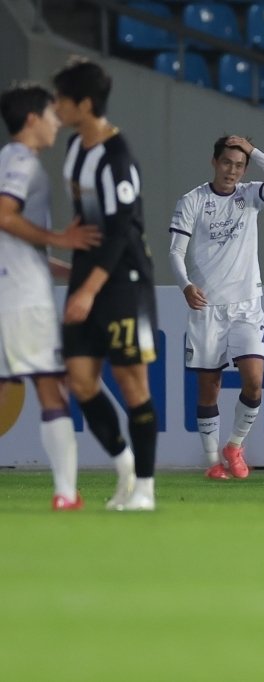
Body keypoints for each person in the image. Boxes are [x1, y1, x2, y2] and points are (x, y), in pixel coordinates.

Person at [53, 57, 159, 511]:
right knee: (79, 380)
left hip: (123, 283)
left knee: (132, 382)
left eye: (61, 100)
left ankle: (147, 490)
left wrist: (89, 288)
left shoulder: (118, 157)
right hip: (88, 276)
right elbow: (89, 225)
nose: (55, 108)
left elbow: (118, 230)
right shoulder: (76, 148)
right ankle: (125, 469)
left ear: (85, 103)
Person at [168, 135, 264, 480]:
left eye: (240, 165)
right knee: (210, 388)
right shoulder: (193, 200)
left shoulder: (250, 195)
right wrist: (186, 285)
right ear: (214, 162)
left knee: (254, 381)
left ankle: (234, 445)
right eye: (227, 163)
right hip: (207, 307)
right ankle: (212, 463)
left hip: (246, 307)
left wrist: (254, 150)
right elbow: (175, 252)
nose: (232, 171)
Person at [0, 83, 101, 510]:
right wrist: (60, 236)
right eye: (51, 115)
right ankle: (64, 493)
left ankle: (65, 492)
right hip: (23, 300)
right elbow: (4, 215)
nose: (57, 122)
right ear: (31, 120)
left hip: (15, 289)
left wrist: (67, 268)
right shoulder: (22, 162)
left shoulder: (9, 160)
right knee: (50, 388)